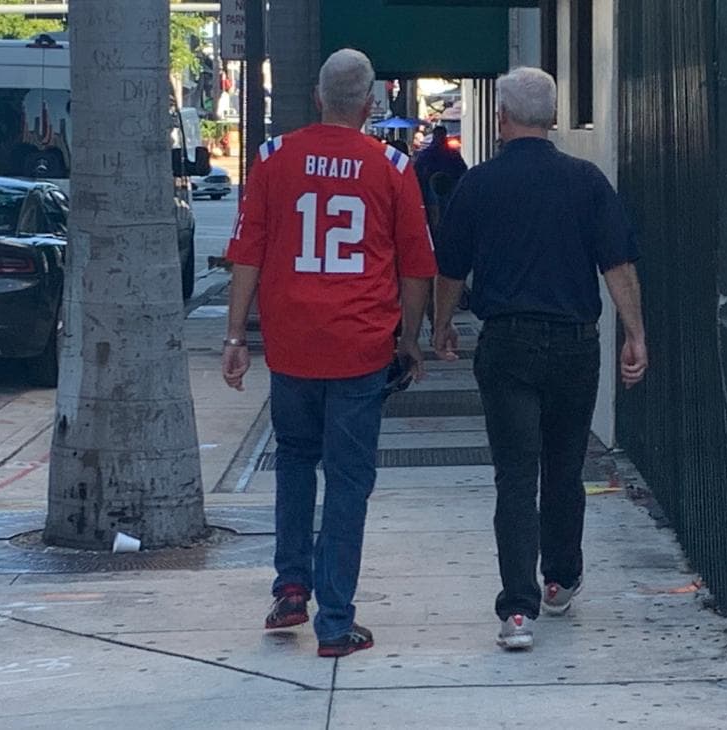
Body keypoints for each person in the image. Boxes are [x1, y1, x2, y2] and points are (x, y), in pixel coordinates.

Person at [222, 48, 436, 658]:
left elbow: (247, 254)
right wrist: (410, 340)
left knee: (293, 461)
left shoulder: (272, 159)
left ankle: (291, 587)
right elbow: (418, 269)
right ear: (370, 104)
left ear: (317, 97)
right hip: (361, 346)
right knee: (347, 480)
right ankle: (335, 621)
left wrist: (236, 337)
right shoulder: (392, 165)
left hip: (291, 348)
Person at [431, 67, 648, 651]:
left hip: (506, 342)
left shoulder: (478, 185)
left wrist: (442, 324)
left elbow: (450, 268)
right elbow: (618, 265)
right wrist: (635, 334)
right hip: (575, 341)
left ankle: (517, 610)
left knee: (515, 476)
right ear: (552, 119)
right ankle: (561, 577)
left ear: (500, 117)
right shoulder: (587, 181)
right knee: (564, 467)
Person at [414, 125, 467, 226]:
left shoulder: (425, 155)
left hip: (430, 198)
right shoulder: (453, 155)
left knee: (433, 222)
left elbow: (417, 174)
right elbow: (463, 172)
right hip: (449, 195)